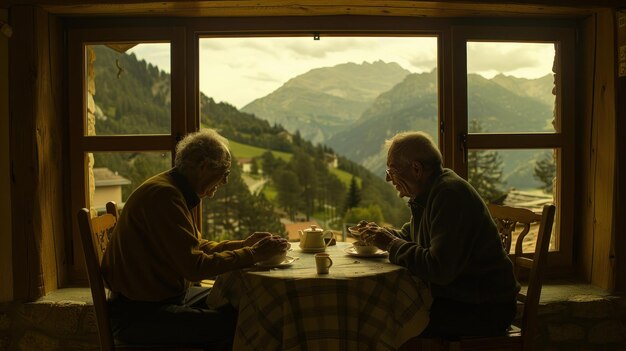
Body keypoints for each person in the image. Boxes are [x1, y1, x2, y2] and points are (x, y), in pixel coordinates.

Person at [101, 129, 290, 350]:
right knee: (244, 324)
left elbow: (194, 247)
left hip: (157, 300)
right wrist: (254, 254)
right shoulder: (165, 196)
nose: (225, 181)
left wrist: (243, 245)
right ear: (204, 167)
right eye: (225, 172)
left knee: (246, 305)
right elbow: (194, 267)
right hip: (139, 315)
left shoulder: (170, 189)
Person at [359, 131, 520, 339]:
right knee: (387, 312)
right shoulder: (428, 192)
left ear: (416, 169)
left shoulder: (449, 195)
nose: (389, 178)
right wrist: (378, 234)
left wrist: (390, 243)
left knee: (389, 320)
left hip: (484, 307)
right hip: (462, 299)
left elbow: (438, 268)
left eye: (392, 171)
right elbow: (410, 237)